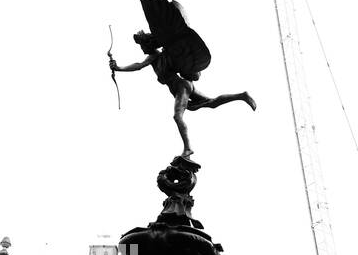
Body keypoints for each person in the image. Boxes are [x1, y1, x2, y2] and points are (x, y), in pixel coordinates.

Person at [109, 29, 256, 160]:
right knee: (211, 103)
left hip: (181, 87)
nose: (141, 49)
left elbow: (138, 66)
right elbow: (138, 65)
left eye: (141, 46)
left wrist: (119, 68)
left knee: (177, 116)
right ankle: (242, 96)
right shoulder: (155, 58)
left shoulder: (155, 56)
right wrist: (118, 68)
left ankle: (187, 148)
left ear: (148, 45)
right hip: (183, 86)